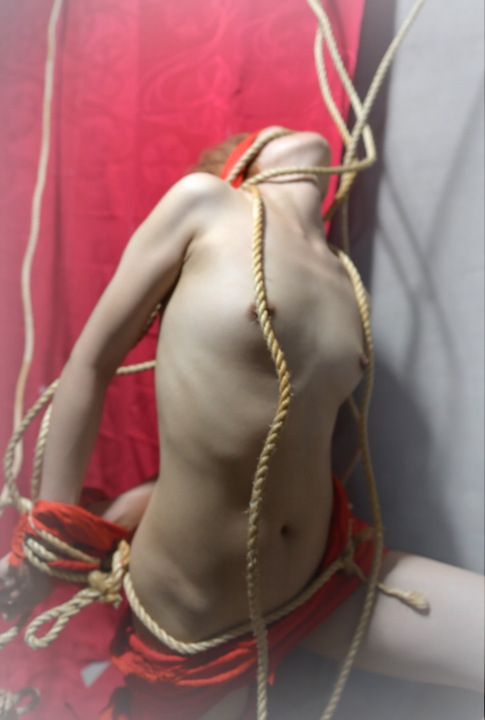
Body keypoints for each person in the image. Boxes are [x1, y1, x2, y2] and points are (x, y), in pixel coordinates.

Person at [0, 127, 483, 720]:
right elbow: (90, 363)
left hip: (322, 576)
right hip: (197, 609)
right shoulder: (205, 205)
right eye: (268, 129)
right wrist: (50, 543)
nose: (292, 128)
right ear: (241, 164)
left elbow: (270, 445)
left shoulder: (344, 280)